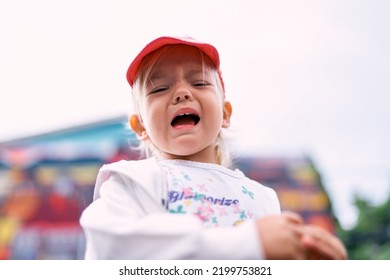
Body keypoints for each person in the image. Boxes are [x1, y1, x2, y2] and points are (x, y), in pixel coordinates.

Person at [79, 36, 347, 260]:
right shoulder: (133, 180)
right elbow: (110, 248)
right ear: (141, 127)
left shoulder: (263, 197)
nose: (182, 92)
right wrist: (250, 244)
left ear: (225, 113)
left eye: (200, 83)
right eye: (160, 88)